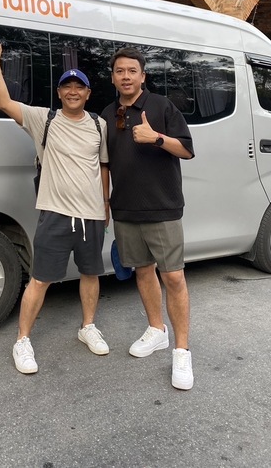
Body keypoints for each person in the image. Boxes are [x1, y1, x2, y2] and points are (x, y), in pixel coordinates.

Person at [0, 38, 110, 375]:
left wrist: (106, 204)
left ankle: (88, 326)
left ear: (88, 94)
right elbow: (4, 102)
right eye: (67, 86)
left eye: (79, 87)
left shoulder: (98, 125)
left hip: (91, 215)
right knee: (40, 279)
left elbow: (103, 167)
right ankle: (22, 340)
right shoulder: (45, 119)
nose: (73, 91)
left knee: (91, 274)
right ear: (59, 93)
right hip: (55, 213)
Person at [102, 46, 195, 390]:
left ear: (143, 76)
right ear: (113, 77)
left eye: (132, 71)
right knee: (142, 271)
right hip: (125, 209)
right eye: (120, 71)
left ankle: (182, 351)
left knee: (173, 277)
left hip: (162, 207)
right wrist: (105, 202)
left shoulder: (161, 106)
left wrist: (156, 137)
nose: (126, 76)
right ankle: (157, 330)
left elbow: (187, 149)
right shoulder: (107, 114)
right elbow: (105, 163)